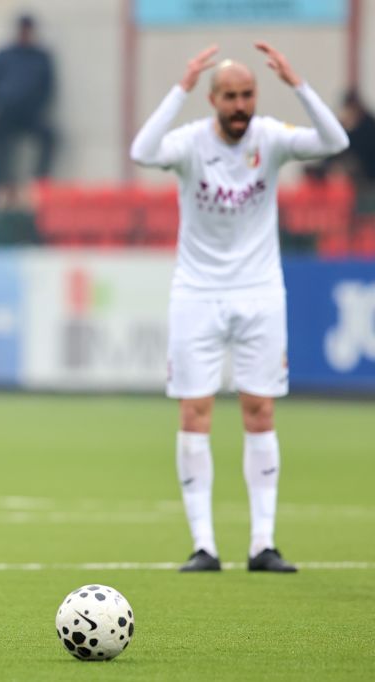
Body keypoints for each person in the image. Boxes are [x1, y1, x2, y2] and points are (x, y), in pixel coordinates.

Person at [130, 43, 349, 573]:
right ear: (212, 99)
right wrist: (180, 87)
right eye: (229, 96)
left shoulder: (270, 138)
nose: (239, 105)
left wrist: (299, 84)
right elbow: (142, 151)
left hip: (260, 292)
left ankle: (262, 544)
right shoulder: (190, 143)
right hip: (197, 293)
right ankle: (203, 545)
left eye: (247, 94)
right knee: (194, 411)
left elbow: (335, 141)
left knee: (260, 410)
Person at [0, 13, 56, 203]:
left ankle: (39, 181)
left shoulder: (40, 58)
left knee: (49, 138)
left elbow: (48, 88)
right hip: (4, 112)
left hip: (29, 114)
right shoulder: (4, 56)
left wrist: (36, 106)